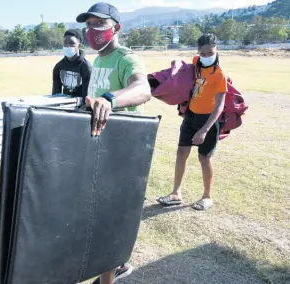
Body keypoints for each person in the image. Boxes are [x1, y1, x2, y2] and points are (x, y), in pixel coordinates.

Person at [75, 3, 152, 284]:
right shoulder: (97, 61)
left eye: (99, 24)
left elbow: (143, 89)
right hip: (100, 149)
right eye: (89, 24)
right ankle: (117, 262)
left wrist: (111, 99)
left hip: (122, 153)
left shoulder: (125, 58)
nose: (92, 30)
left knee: (108, 220)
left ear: (116, 28)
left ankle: (110, 271)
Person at [157, 34, 227, 211]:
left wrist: (204, 131)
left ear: (217, 49)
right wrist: (175, 63)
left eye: (209, 52)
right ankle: (175, 193)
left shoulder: (219, 75)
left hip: (208, 120)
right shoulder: (197, 62)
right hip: (191, 116)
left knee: (204, 158)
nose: (205, 56)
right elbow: (181, 64)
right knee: (181, 153)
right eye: (202, 53)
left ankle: (207, 197)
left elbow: (219, 107)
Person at [52, 29, 92, 106]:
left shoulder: (86, 67)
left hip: (80, 107)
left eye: (72, 43)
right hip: (64, 106)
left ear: (79, 45)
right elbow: (55, 94)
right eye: (65, 43)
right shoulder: (58, 67)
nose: (68, 46)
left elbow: (87, 95)